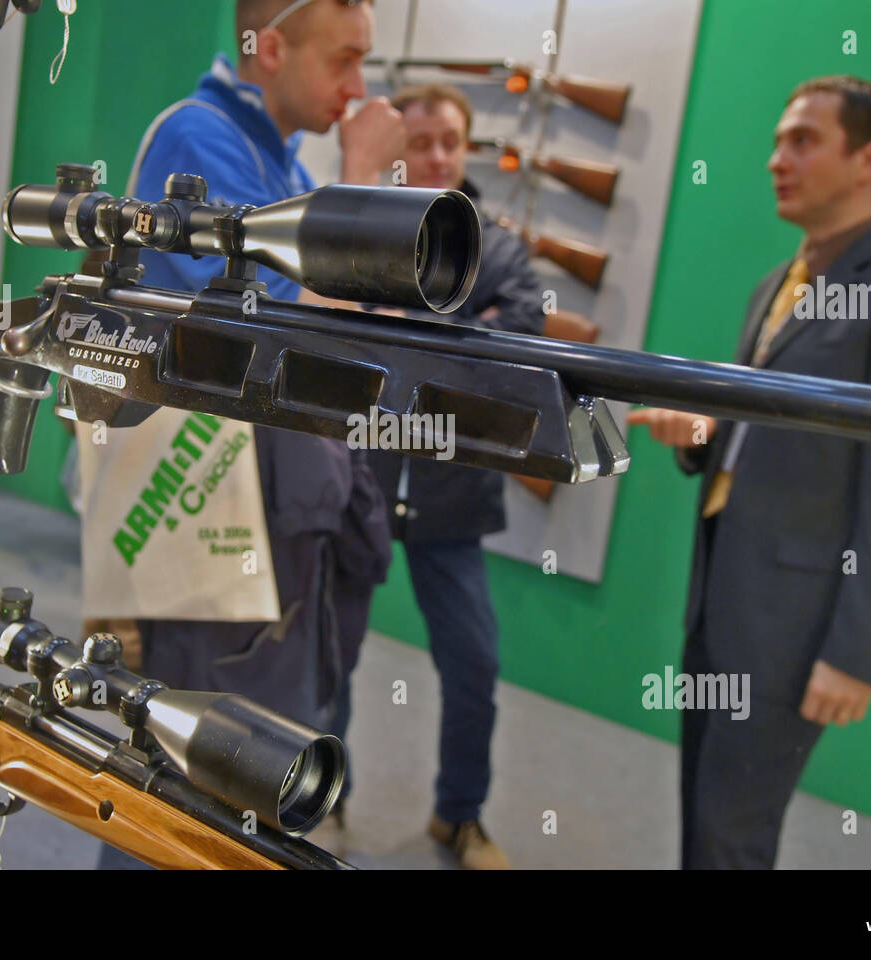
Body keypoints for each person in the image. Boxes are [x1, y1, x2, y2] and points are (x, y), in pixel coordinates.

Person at [628, 76, 871, 869]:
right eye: (779, 140)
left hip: (798, 618)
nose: (775, 159)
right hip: (720, 595)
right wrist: (701, 436)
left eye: (803, 141)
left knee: (733, 835)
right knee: (702, 817)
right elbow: (769, 438)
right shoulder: (775, 286)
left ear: (870, 159)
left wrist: (861, 651)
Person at [91, 0, 400, 869]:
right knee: (190, 782)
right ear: (269, 46)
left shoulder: (268, 155)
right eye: (343, 60)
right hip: (206, 525)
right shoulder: (200, 140)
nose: (357, 86)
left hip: (270, 525)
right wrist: (364, 179)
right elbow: (297, 340)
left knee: (248, 783)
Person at [329, 83, 547, 870]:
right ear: (397, 152)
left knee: (475, 663)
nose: (437, 155)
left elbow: (515, 350)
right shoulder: (356, 236)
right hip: (357, 481)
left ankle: (459, 817)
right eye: (420, 142)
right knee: (334, 657)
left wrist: (406, 327)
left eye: (450, 140)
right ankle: (326, 800)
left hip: (454, 497)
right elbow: (331, 339)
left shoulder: (505, 248)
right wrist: (461, 330)